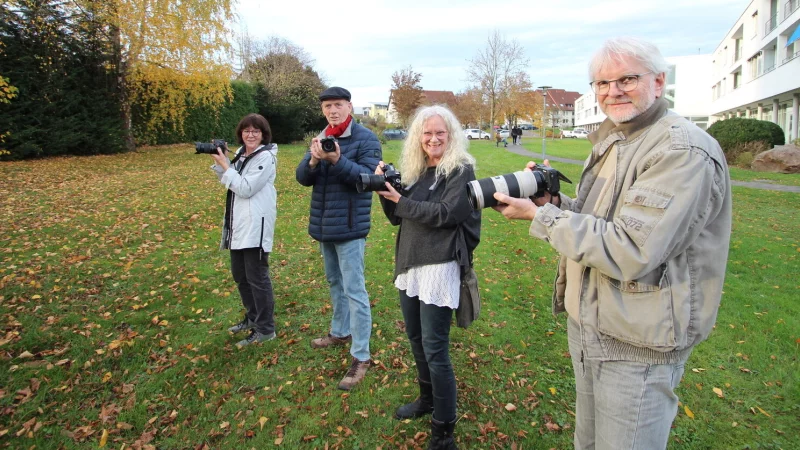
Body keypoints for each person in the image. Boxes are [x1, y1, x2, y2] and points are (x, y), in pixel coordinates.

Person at [492, 37, 732, 450]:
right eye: (601, 83)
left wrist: (542, 217)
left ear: (658, 81)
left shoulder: (680, 149)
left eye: (626, 79)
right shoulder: (617, 138)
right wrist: (552, 202)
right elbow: (603, 220)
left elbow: (631, 248)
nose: (612, 91)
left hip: (639, 341)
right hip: (592, 323)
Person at [376, 105, 480, 450]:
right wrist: (386, 192)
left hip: (438, 266)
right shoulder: (419, 171)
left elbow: (448, 214)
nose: (433, 139)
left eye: (440, 133)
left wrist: (400, 202)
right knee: (417, 338)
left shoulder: (460, 171)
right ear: (418, 138)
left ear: (450, 135)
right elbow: (398, 217)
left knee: (436, 348)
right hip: (410, 265)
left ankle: (443, 431)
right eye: (427, 133)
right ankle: (427, 399)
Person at [295, 86, 381, 391]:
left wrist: (336, 160)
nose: (333, 110)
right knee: (334, 282)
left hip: (349, 226)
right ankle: (340, 331)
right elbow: (302, 178)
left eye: (338, 105)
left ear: (350, 106)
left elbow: (368, 179)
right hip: (323, 227)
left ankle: (361, 356)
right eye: (328, 106)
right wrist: (315, 160)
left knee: (354, 289)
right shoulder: (322, 135)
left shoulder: (366, 139)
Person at [210, 113, 279, 348]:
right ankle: (252, 318)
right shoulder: (241, 154)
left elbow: (246, 188)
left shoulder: (265, 157)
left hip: (255, 227)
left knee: (257, 279)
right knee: (241, 277)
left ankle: (265, 328)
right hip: (238, 225)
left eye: (255, 131)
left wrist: (225, 167)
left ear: (263, 134)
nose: (250, 135)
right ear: (240, 133)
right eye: (246, 131)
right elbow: (231, 179)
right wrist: (223, 162)